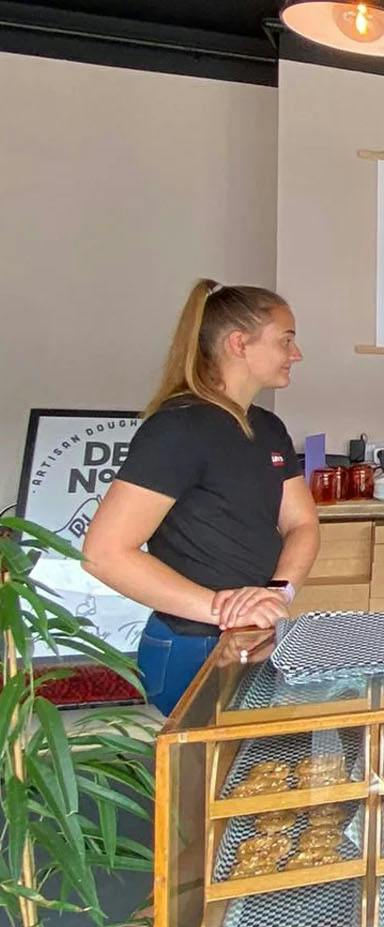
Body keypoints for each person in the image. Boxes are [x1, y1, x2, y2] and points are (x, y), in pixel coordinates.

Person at [84, 279, 319, 716]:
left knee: (264, 756)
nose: (296, 354)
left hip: (255, 636)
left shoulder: (268, 428)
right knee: (202, 762)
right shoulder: (178, 429)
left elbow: (301, 523)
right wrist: (221, 609)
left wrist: (278, 594)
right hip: (191, 644)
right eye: (285, 340)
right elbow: (104, 553)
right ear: (239, 344)